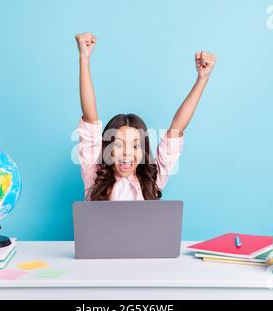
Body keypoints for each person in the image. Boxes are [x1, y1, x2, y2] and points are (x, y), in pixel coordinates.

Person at [75, 32, 216, 201]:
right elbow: (90, 119)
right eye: (119, 145)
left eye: (135, 146)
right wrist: (84, 58)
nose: (127, 153)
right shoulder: (94, 176)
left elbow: (176, 130)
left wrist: (202, 79)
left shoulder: (151, 180)